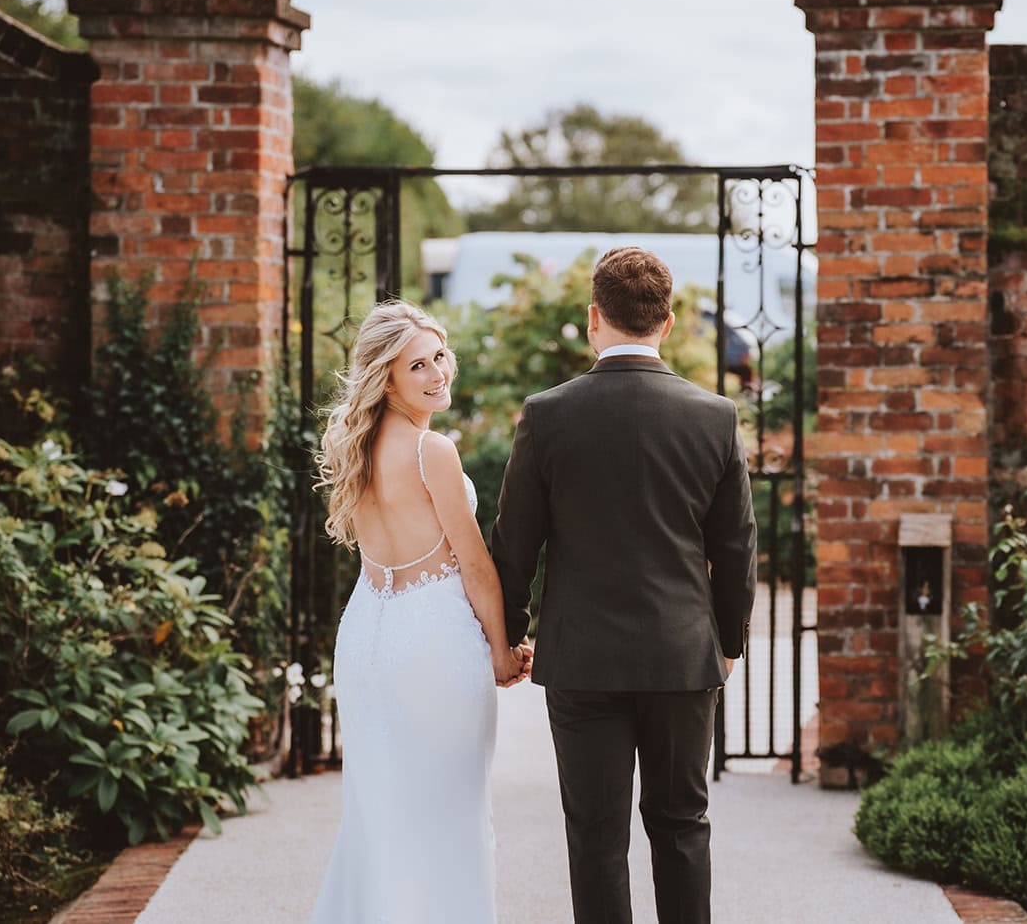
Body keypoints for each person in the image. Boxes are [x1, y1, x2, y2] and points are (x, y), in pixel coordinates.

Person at [491, 246, 759, 924]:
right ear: (666, 322)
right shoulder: (714, 417)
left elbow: (513, 543)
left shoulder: (548, 415)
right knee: (681, 826)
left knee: (595, 839)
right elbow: (735, 549)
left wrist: (512, 634)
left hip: (582, 659)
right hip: (680, 653)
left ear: (593, 317)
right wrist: (728, 640)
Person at [308, 301, 530, 924]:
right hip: (431, 641)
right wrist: (502, 650)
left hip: (366, 637)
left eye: (439, 356)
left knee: (379, 813)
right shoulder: (433, 450)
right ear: (387, 378)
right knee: (452, 810)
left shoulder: (353, 444)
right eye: (418, 366)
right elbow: (477, 566)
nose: (438, 374)